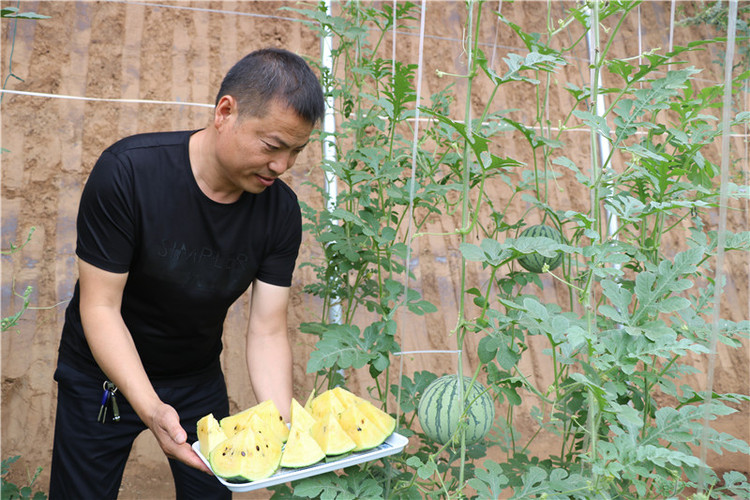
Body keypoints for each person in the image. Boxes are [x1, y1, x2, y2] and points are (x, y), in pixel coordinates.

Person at [49, 47, 325, 499]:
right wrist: (151, 408)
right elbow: (99, 308)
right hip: (102, 375)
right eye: (273, 146)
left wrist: (284, 425)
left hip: (195, 377)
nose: (282, 166)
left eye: (296, 151)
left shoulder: (280, 211)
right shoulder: (128, 174)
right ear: (225, 112)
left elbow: (269, 329)